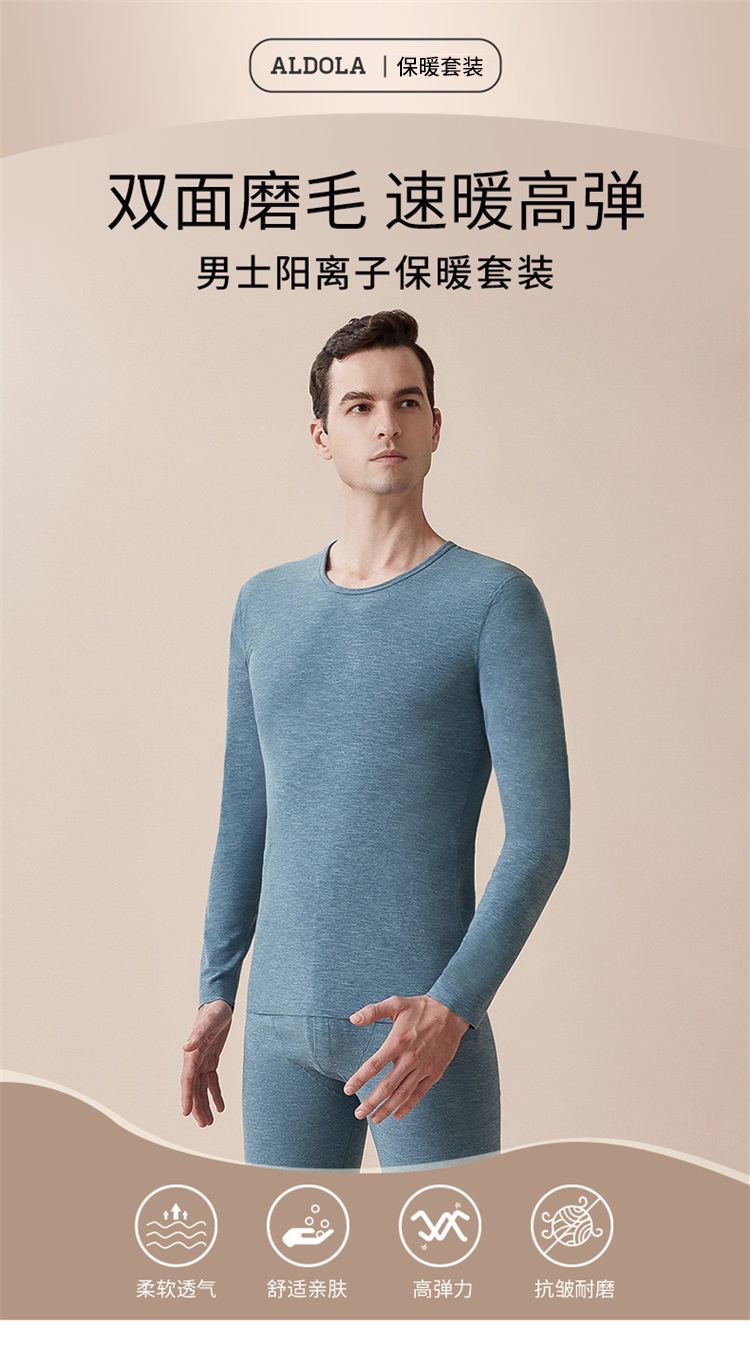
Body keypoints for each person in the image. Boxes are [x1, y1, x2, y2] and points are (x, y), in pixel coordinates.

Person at [181, 309, 571, 1170]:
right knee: (281, 1262)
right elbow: (246, 816)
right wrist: (216, 989)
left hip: (422, 1030)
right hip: (278, 1033)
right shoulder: (264, 605)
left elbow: (541, 837)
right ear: (321, 434)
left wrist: (453, 1007)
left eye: (406, 401)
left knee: (452, 1260)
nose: (386, 423)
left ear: (436, 426)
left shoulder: (493, 601)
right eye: (358, 406)